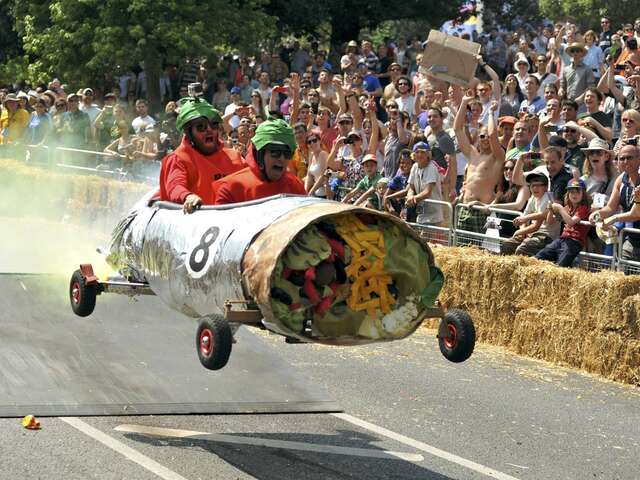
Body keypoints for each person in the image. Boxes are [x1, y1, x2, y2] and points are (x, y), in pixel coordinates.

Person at [158, 97, 245, 213]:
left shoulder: (235, 157)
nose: (209, 130)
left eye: (213, 125)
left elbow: (253, 180)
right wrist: (187, 196)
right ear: (189, 133)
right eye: (201, 127)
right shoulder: (178, 159)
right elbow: (174, 186)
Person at [213, 118, 305, 204]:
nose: (281, 158)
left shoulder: (295, 185)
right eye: (275, 152)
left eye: (287, 153)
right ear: (259, 153)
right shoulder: (231, 188)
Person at [455, 96, 505, 234]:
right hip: (464, 207)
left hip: (481, 210)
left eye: (487, 137)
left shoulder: (497, 157)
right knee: (459, 248)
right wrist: (464, 102)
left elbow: (493, 135)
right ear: (478, 137)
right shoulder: (472, 153)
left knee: (477, 250)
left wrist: (490, 113)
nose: (486, 139)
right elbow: (457, 129)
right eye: (482, 136)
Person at [596, 145, 640, 261]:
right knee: (625, 275)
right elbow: (610, 207)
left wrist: (614, 218)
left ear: (639, 159)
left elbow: (636, 214)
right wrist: (597, 215)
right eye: (622, 158)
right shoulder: (621, 179)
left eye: (629, 158)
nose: (625, 161)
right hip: (631, 239)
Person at [535, 179, 591, 267]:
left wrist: (560, 208)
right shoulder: (568, 207)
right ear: (568, 194)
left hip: (574, 242)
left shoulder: (583, 208)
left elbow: (571, 222)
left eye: (577, 192)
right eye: (571, 192)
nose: (574, 195)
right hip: (562, 239)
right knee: (538, 257)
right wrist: (551, 209)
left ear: (583, 194)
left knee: (560, 266)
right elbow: (550, 221)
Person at [405, 141, 444, 226]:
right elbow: (411, 187)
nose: (419, 155)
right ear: (413, 155)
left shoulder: (432, 167)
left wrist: (413, 199)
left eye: (422, 152)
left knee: (433, 239)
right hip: (421, 214)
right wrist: (410, 196)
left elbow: (427, 192)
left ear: (428, 155)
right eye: (417, 152)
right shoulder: (415, 167)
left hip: (434, 216)